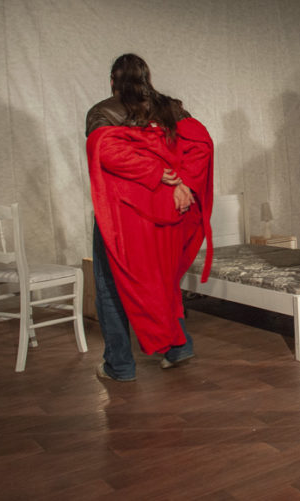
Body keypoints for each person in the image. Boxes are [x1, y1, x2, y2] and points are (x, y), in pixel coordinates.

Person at [85, 53, 214, 382]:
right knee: (164, 279)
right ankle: (178, 347)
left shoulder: (102, 112)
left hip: (124, 215)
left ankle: (119, 365)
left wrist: (157, 173)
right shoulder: (172, 108)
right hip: (169, 212)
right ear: (147, 79)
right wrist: (183, 183)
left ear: (113, 81)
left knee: (109, 286)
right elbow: (200, 145)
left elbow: (107, 152)